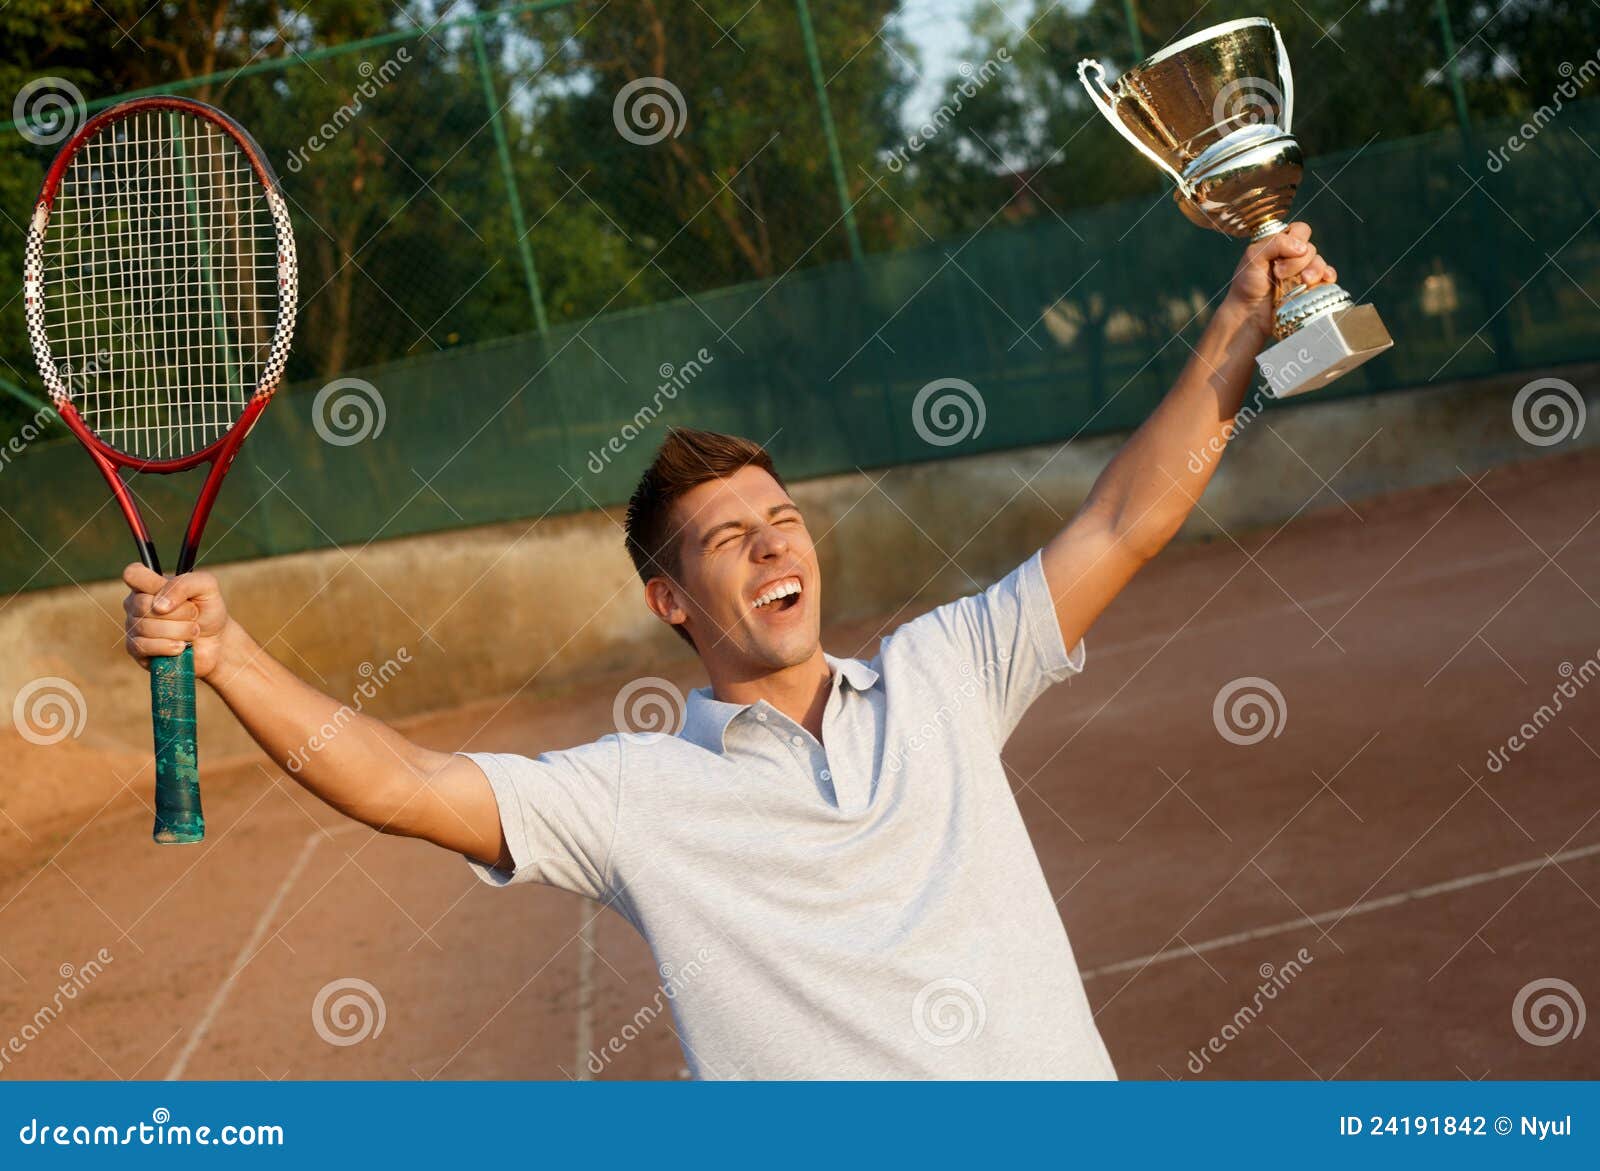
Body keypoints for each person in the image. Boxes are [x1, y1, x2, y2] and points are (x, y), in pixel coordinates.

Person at [122, 226, 1337, 1078]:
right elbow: (399, 784)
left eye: (782, 521)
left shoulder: (945, 673)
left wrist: (1239, 318)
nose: (769, 547)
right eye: (726, 541)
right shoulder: (631, 794)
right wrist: (225, 655)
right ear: (669, 599)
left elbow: (1127, 514)